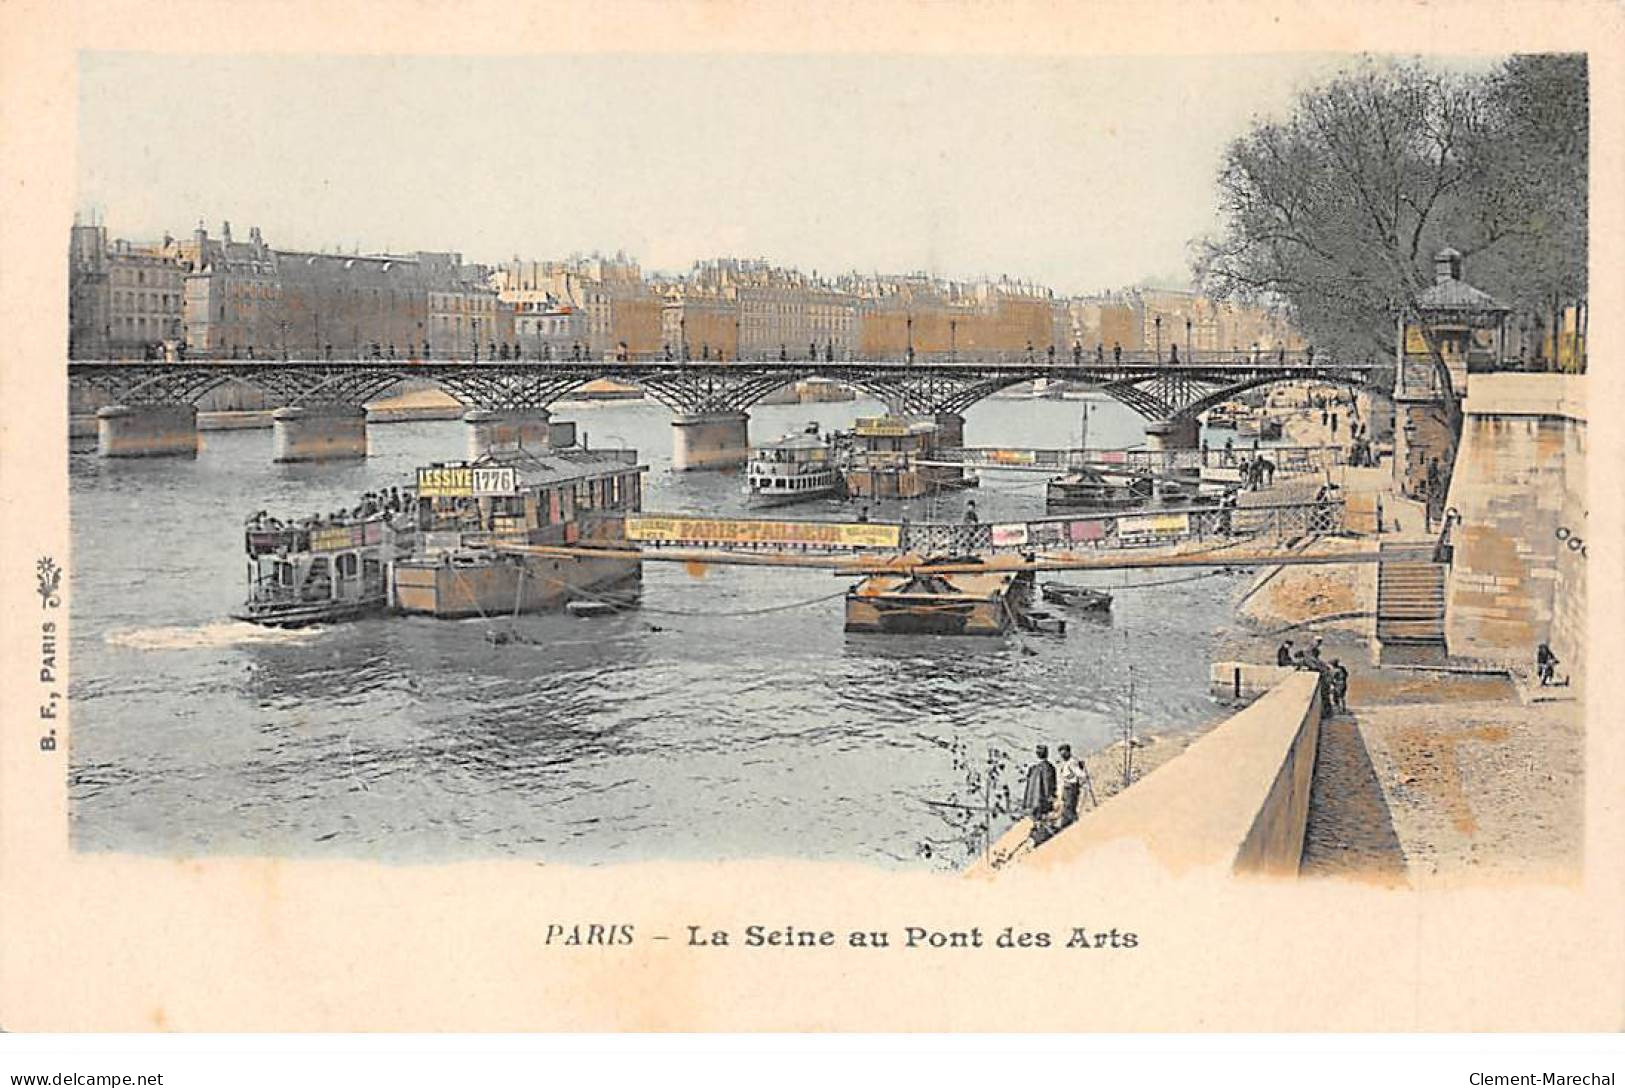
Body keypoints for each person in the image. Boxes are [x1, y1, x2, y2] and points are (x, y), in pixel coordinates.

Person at [1023, 745, 1058, 844]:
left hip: (1032, 801)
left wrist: (1027, 802)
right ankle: (1039, 837)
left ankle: (1036, 836)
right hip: (1041, 800)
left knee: (1038, 819)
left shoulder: (1033, 768)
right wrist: (1050, 796)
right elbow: (1048, 784)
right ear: (1047, 753)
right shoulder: (1048, 767)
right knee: (1044, 819)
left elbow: (1028, 787)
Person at [1054, 744, 1085, 828]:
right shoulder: (1065, 763)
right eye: (1061, 753)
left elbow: (1080, 774)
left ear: (1068, 752)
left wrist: (1081, 773)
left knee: (1069, 808)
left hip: (1071, 787)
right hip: (1066, 787)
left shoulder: (1072, 762)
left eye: (1064, 753)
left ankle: (1070, 825)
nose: (1062, 755)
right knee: (1067, 807)